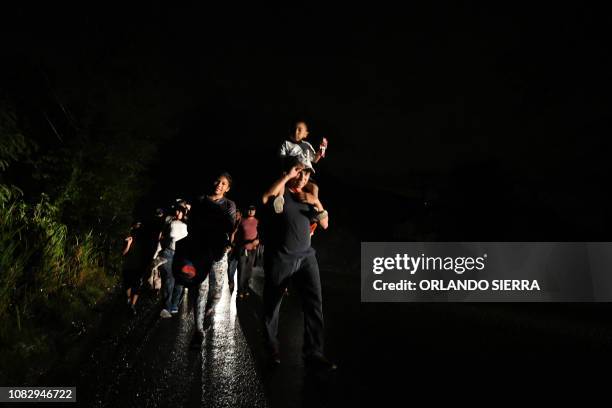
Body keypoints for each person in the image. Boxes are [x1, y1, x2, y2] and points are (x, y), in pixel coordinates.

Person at [261, 157, 336, 370]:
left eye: (307, 174)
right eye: (299, 172)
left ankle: (314, 352)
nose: (303, 177)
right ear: (292, 172)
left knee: (314, 305)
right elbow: (266, 198)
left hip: (306, 258)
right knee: (272, 305)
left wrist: (316, 202)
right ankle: (271, 347)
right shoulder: (282, 192)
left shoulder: (308, 196)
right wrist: (287, 176)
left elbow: (324, 223)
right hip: (281, 257)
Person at [175, 172, 236, 345]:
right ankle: (198, 330)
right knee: (200, 291)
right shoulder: (200, 200)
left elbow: (229, 225)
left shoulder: (229, 204)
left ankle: (209, 311)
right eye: (218, 181)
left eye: (224, 183)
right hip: (199, 252)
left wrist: (207, 222)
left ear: (227, 188)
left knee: (216, 292)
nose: (219, 184)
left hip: (218, 253)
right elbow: (192, 224)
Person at [276, 119, 329, 214]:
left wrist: (320, 152)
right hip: (293, 172)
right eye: (294, 129)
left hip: (306, 174)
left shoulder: (307, 145)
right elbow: (282, 158)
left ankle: (315, 208)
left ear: (305, 134)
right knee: (282, 180)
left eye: (300, 130)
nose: (296, 132)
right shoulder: (286, 144)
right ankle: (280, 199)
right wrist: (286, 169)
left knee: (314, 187)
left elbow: (315, 160)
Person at [158, 206, 188, 318]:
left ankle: (174, 304)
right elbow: (161, 236)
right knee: (168, 280)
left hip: (181, 254)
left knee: (179, 280)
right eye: (176, 210)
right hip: (169, 252)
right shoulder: (169, 221)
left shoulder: (187, 224)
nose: (178, 212)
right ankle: (167, 306)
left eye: (180, 211)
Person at [121, 222, 149, 315]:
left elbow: (145, 254)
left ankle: (133, 305)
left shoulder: (144, 241)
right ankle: (129, 298)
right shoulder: (128, 239)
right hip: (128, 265)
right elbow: (123, 253)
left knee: (137, 286)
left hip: (138, 266)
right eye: (136, 226)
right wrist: (128, 243)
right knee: (128, 284)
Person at [235, 205, 260, 299]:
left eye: (253, 210)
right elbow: (236, 233)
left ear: (255, 211)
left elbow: (260, 234)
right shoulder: (242, 220)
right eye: (249, 209)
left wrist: (258, 241)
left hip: (252, 250)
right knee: (241, 270)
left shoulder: (257, 222)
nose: (251, 211)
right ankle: (240, 291)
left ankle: (246, 289)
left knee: (249, 271)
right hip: (242, 249)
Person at [227, 209, 242, 293]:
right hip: (231, 248)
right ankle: (231, 284)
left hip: (236, 250)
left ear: (240, 215)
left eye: (237, 215)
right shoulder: (234, 224)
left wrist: (233, 234)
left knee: (232, 268)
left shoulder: (240, 225)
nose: (236, 216)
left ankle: (231, 286)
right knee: (230, 267)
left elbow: (237, 238)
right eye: (235, 215)